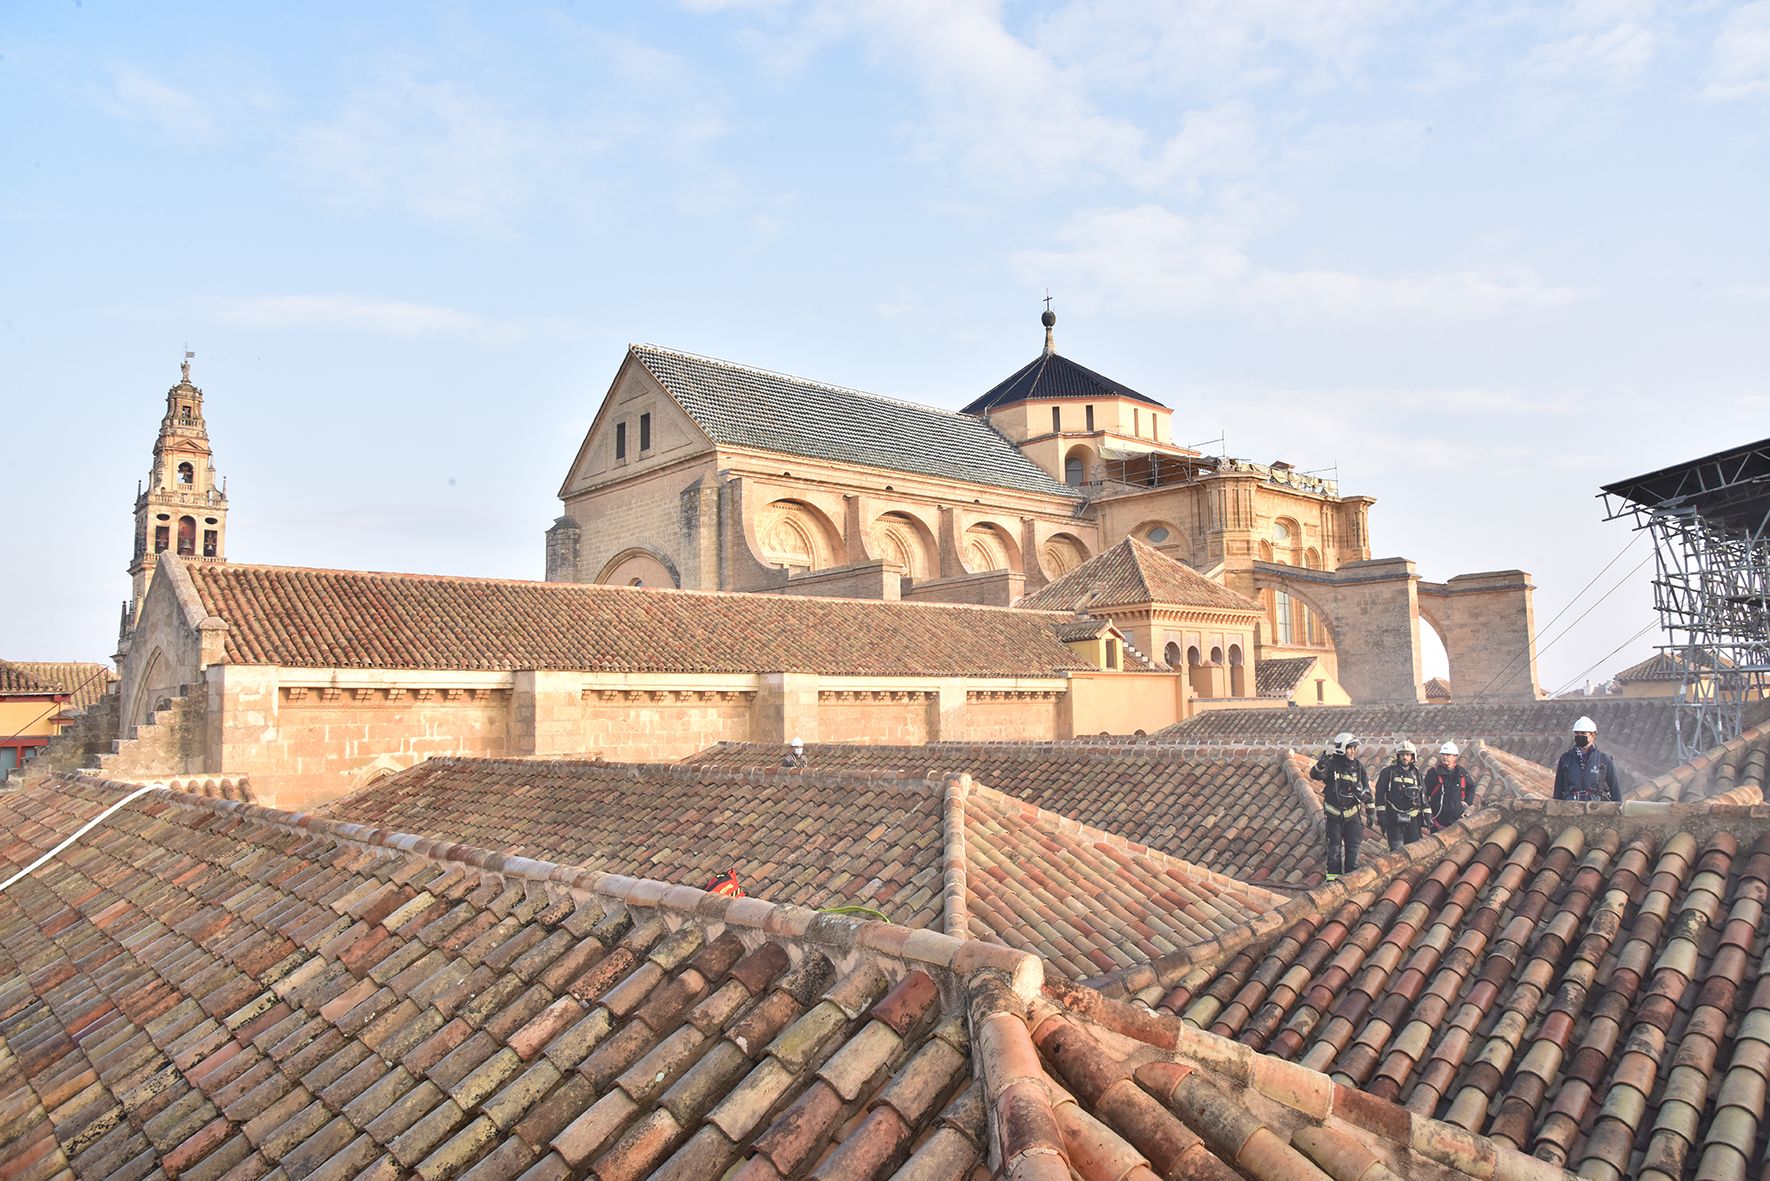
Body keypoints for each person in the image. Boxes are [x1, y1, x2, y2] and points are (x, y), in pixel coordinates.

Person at [1310, 732, 1372, 880]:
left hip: (1353, 817)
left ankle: (1350, 881)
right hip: (1334, 818)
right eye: (1350, 748)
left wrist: (1371, 812)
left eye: (1354, 748)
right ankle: (1332, 881)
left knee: (1353, 850)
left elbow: (1367, 790)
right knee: (1334, 852)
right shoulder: (1331, 764)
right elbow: (1316, 775)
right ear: (1342, 748)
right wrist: (1320, 765)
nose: (1353, 751)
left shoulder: (1358, 767)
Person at [1553, 716, 1623, 802]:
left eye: (1583, 733)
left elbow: (1615, 789)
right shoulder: (1566, 759)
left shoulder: (1604, 760)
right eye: (1577, 733)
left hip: (1596, 808)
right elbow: (1558, 789)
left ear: (1592, 735)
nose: (1579, 736)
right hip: (1571, 807)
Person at [1375, 740, 1426, 849]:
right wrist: (1381, 815)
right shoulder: (1388, 772)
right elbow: (1379, 795)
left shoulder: (1417, 774)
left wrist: (1427, 815)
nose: (1405, 757)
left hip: (1413, 820)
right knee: (1396, 851)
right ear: (1398, 756)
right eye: (1402, 754)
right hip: (1393, 819)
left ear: (1413, 757)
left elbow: (1423, 796)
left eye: (1408, 755)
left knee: (1413, 851)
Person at [1423, 742, 1479, 830]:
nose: (1445, 757)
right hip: (1437, 819)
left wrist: (1467, 801)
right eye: (1443, 755)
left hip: (1456, 819)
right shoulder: (1433, 773)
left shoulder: (1461, 773)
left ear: (1455, 757)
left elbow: (1471, 788)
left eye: (1448, 755)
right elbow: (1425, 792)